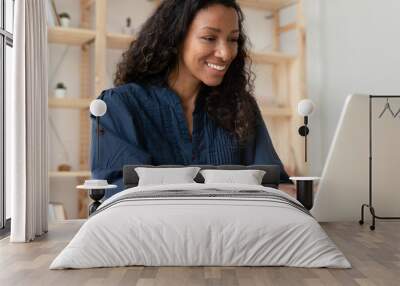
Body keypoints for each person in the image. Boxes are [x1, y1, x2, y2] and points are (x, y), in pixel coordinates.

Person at [90, 0, 290, 198]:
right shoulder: (118, 107)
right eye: (209, 37)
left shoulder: (241, 107)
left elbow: (275, 183)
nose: (226, 53)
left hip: (237, 230)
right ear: (175, 39)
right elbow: (117, 197)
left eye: (233, 39)